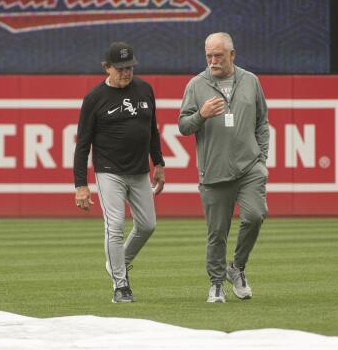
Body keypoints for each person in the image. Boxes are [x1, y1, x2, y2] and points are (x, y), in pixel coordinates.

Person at [178, 32, 269, 303]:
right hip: (214, 171)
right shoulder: (196, 85)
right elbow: (183, 126)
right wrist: (201, 115)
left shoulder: (250, 80)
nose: (213, 61)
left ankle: (237, 267)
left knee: (255, 216)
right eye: (208, 56)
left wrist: (262, 159)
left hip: (249, 167)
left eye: (218, 55)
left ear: (232, 55)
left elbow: (262, 122)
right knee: (217, 233)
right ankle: (216, 283)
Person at [73, 41, 165, 303]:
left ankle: (117, 262)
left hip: (139, 171)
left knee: (147, 225)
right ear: (107, 67)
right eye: (121, 68)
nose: (126, 72)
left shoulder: (145, 89)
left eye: (130, 67)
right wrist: (81, 184)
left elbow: (152, 132)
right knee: (114, 226)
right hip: (109, 171)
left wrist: (158, 164)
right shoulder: (94, 98)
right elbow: (82, 145)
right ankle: (121, 286)